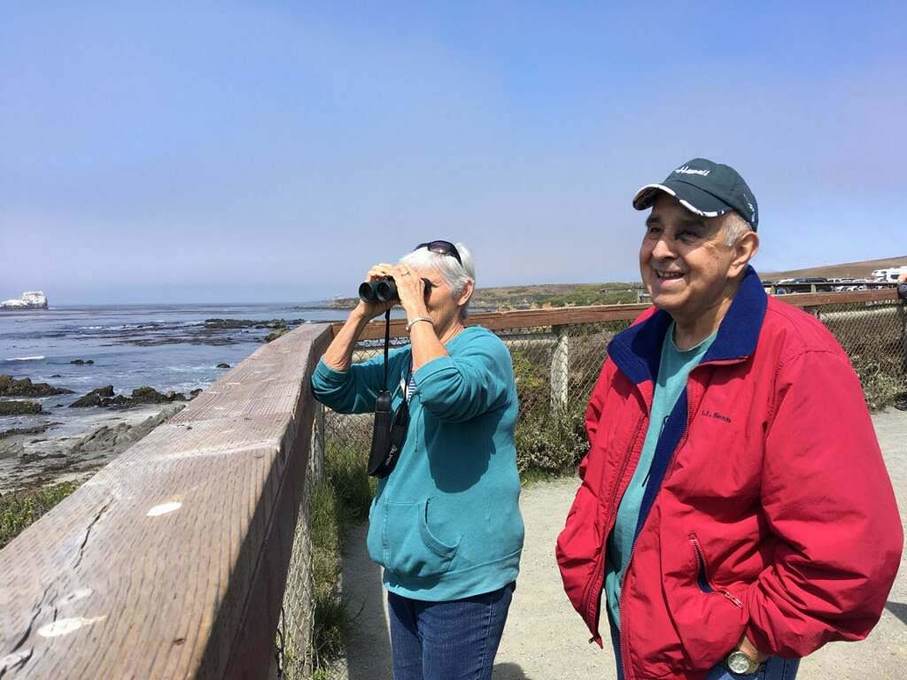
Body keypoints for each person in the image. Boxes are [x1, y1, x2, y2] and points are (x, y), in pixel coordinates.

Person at [555, 159, 902, 680]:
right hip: (641, 627)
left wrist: (753, 643)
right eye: (654, 229)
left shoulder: (796, 358)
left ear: (741, 252)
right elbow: (601, 457)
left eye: (688, 232)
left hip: (724, 656)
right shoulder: (637, 345)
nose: (661, 250)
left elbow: (850, 545)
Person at [311, 240, 524, 680]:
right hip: (408, 563)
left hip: (463, 573)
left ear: (463, 292)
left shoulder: (485, 352)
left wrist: (416, 316)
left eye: (423, 287)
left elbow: (446, 390)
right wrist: (362, 313)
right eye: (405, 287)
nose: (411, 298)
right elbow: (330, 386)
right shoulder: (406, 359)